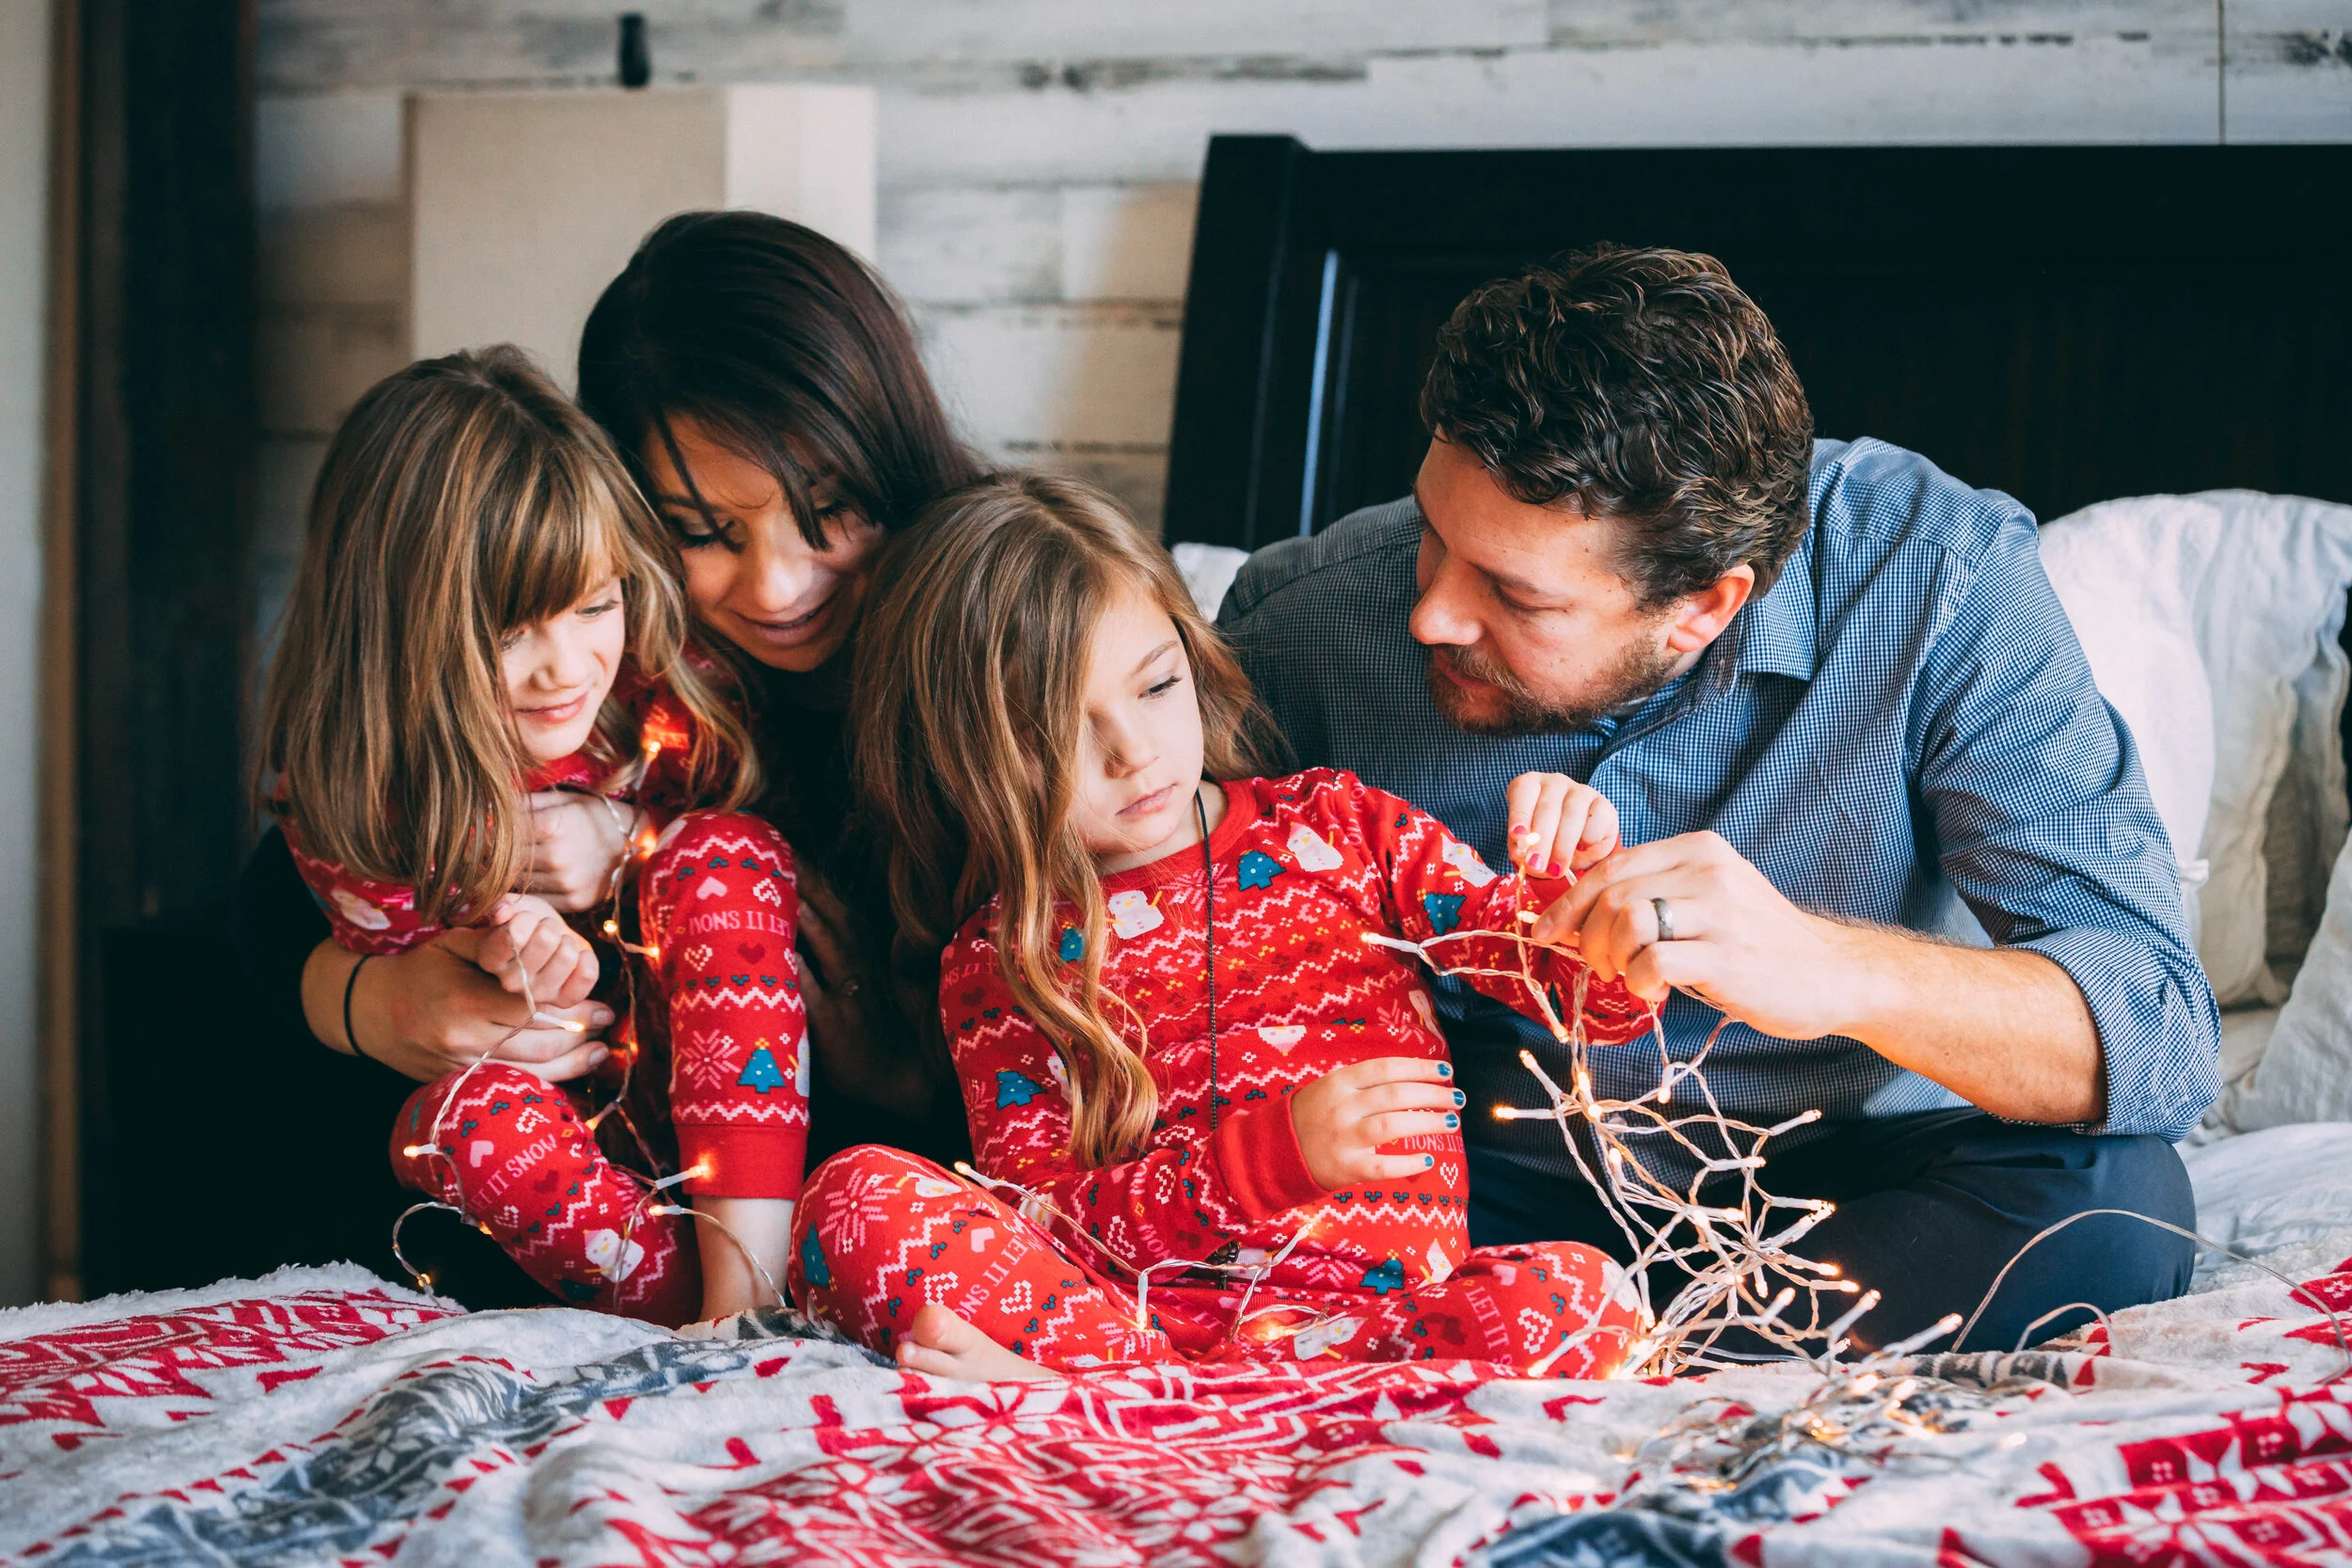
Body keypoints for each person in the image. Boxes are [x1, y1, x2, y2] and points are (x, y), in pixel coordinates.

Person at [1216, 245, 2222, 1355]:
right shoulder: (1301, 623)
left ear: (1704, 605)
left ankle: (1599, 1352)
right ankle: (1584, 1342)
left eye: (1511, 592)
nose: (1432, 616)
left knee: (2120, 1206)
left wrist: (1828, 966)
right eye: (1432, 533)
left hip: (1853, 1188)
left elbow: (2158, 1030)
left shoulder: (1937, 576)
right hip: (1467, 1189)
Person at [233, 215, 985, 1302]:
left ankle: (740, 1300)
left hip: (885, 1182)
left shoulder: (994, 656)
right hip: (572, 1189)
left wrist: (910, 1080)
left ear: (894, 460)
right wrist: (369, 998)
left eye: (830, 508)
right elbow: (295, 888)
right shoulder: (639, 674)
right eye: (703, 530)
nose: (778, 586)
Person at [785, 473, 1653, 1381]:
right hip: (1130, 1331)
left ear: (1191, 655)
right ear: (968, 756)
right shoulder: (1004, 956)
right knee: (852, 1201)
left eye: (1157, 685)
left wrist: (1576, 881)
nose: (1135, 753)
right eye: (1056, 729)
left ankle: (1162, 1414)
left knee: (1587, 1295)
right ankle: (1186, 1404)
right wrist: (1261, 1161)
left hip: (1380, 1332)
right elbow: (1044, 1222)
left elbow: (1582, 999)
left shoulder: (1344, 827)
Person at [257, 346, 806, 1325]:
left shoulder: (662, 697)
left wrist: (631, 833)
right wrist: (498, 955)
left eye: (595, 603)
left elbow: (768, 841)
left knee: (723, 853)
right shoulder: (366, 794)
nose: (565, 667)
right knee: (460, 1123)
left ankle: (746, 1296)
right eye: (509, 631)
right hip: (563, 1154)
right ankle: (702, 1320)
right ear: (394, 628)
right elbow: (419, 1001)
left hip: (726, 1117)